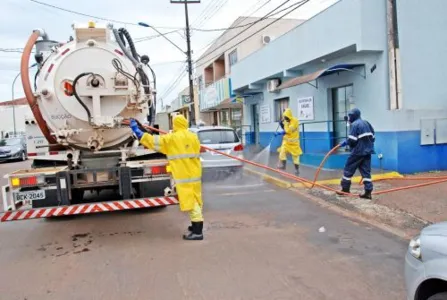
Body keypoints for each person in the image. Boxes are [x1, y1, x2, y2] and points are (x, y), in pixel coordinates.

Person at [129, 115, 204, 241]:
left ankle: (198, 232)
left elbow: (153, 141)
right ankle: (195, 226)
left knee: (192, 203)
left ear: (175, 124)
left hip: (183, 175)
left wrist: (137, 131)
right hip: (194, 174)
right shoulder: (193, 136)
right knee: (196, 199)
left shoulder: (172, 138)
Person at [337, 108, 375, 199]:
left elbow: (352, 140)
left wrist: (345, 143)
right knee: (366, 172)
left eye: (350, 116)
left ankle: (345, 189)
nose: (349, 118)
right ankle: (368, 192)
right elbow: (373, 137)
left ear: (353, 116)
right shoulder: (366, 123)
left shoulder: (355, 124)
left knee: (348, 169)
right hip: (368, 151)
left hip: (358, 152)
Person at [275, 108, 303, 175]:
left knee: (295, 157)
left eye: (286, 117)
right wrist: (281, 124)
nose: (285, 118)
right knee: (282, 153)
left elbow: (287, 131)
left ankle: (297, 169)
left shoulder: (295, 121)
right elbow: (284, 128)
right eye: (284, 117)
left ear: (289, 116)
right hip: (286, 142)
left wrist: (279, 133)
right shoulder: (286, 121)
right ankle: (283, 166)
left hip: (294, 143)